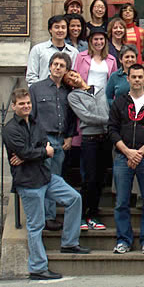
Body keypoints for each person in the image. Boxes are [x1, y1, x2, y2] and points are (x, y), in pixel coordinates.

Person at [2, 88, 90, 281]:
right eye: (22, 104)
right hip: (28, 182)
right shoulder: (9, 129)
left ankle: (69, 243)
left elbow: (40, 147)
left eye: (28, 103)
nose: (26, 106)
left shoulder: (34, 123)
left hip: (45, 176)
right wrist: (39, 152)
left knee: (74, 198)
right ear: (14, 106)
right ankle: (37, 267)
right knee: (36, 225)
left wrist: (32, 153)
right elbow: (29, 151)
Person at [108, 63, 144, 254]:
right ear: (128, 79)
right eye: (133, 77)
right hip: (122, 157)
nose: (137, 80)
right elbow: (112, 130)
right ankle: (123, 240)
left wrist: (139, 152)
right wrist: (127, 152)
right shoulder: (119, 102)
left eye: (140, 77)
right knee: (121, 202)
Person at [29, 52, 75, 231]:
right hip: (43, 140)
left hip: (60, 140)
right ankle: (45, 217)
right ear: (49, 66)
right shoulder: (36, 88)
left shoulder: (67, 91)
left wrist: (70, 136)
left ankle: (50, 215)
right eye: (55, 64)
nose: (57, 67)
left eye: (61, 65)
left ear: (66, 70)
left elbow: (71, 116)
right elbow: (31, 117)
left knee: (55, 179)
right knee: (43, 179)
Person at [64, 69, 111, 231]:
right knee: (89, 179)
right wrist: (110, 121)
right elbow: (85, 116)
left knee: (100, 179)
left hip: (105, 139)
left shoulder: (99, 89)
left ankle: (93, 214)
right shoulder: (73, 96)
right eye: (69, 79)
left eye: (73, 74)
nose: (73, 78)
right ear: (69, 85)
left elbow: (108, 107)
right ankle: (82, 215)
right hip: (89, 140)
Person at [26, 15, 79, 86]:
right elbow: (31, 76)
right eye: (57, 27)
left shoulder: (74, 52)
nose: (60, 30)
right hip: (43, 92)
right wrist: (39, 91)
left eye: (63, 27)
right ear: (50, 29)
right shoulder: (38, 49)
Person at [73, 27, 118, 91]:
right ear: (91, 41)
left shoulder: (112, 60)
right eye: (96, 39)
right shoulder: (81, 57)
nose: (99, 42)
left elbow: (114, 82)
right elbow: (75, 76)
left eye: (101, 39)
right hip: (85, 94)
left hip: (103, 96)